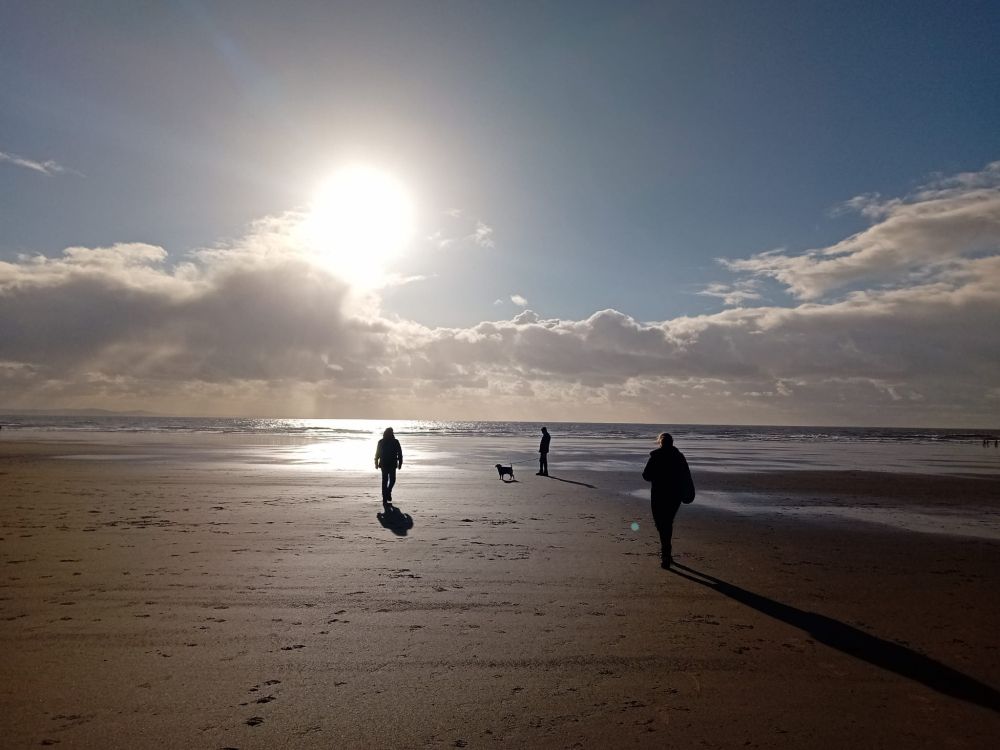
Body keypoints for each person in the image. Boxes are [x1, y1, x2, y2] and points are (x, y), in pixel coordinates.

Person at [642, 432, 695, 569]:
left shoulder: (656, 456)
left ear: (660, 442)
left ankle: (666, 552)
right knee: (667, 522)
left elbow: (646, 476)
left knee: (661, 523)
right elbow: (687, 476)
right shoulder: (679, 456)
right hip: (675, 495)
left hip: (659, 494)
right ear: (672, 442)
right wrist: (688, 492)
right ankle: (666, 552)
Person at [374, 427, 403, 503]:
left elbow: (399, 453)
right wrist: (376, 462)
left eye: (392, 432)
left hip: (391, 464)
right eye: (390, 432)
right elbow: (377, 453)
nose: (391, 434)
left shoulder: (395, 442)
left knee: (392, 480)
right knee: (385, 480)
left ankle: (388, 492)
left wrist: (400, 462)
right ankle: (385, 497)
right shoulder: (381, 442)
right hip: (385, 464)